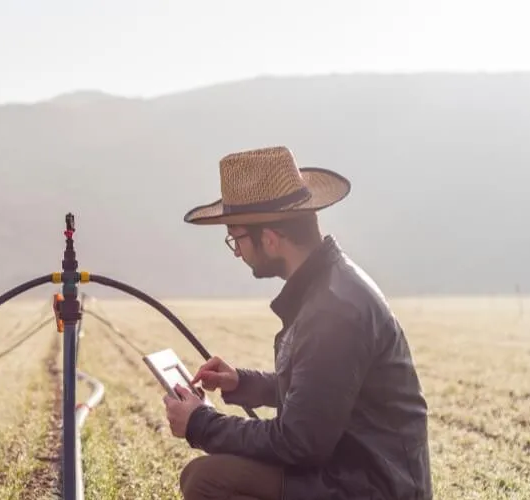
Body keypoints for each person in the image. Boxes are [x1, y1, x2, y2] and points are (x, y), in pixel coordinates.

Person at [162, 146, 432, 499]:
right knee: (207, 476)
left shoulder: (335, 310)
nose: (237, 251)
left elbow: (300, 442)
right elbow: (322, 394)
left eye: (237, 238)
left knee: (208, 479)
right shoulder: (328, 288)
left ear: (271, 239)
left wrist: (200, 423)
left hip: (369, 488)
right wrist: (243, 382)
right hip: (351, 475)